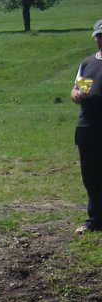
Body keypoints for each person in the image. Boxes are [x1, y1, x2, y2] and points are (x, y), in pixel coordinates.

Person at [71, 19, 102, 234]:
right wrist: (77, 95)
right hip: (87, 125)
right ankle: (94, 220)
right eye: (99, 36)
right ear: (94, 38)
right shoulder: (87, 63)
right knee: (90, 175)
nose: (101, 39)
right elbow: (75, 91)